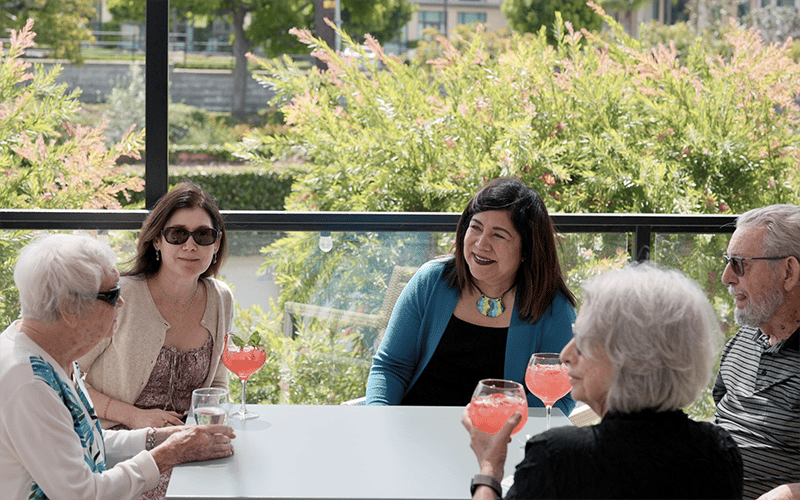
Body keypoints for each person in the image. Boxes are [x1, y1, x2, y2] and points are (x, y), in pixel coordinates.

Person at [462, 264, 743, 499]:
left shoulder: (559, 458)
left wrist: (489, 470)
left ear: (630, 357)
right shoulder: (719, 452)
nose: (566, 355)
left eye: (584, 340)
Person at [0, 233, 235, 500]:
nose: (121, 303)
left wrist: (157, 437)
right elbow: (83, 495)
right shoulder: (28, 383)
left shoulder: (52, 354)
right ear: (69, 309)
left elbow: (84, 444)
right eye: (112, 295)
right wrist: (168, 455)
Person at [366, 177, 576, 414]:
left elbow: (559, 398)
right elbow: (391, 367)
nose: (481, 243)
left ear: (527, 250)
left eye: (498, 235)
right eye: (475, 227)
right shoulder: (431, 281)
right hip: (413, 431)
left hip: (500, 440)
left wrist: (502, 438)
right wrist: (379, 418)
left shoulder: (552, 308)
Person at [78, 182, 234, 499]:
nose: (191, 245)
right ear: (157, 241)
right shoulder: (120, 294)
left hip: (187, 446)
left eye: (203, 235)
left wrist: (203, 431)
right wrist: (134, 417)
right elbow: (68, 380)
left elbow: (217, 380)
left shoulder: (221, 298)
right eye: (177, 234)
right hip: (118, 448)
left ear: (216, 244)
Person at [716, 204, 800, 500]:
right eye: (728, 261)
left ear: (788, 271)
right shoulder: (745, 340)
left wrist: (790, 495)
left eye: (740, 264)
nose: (726, 277)